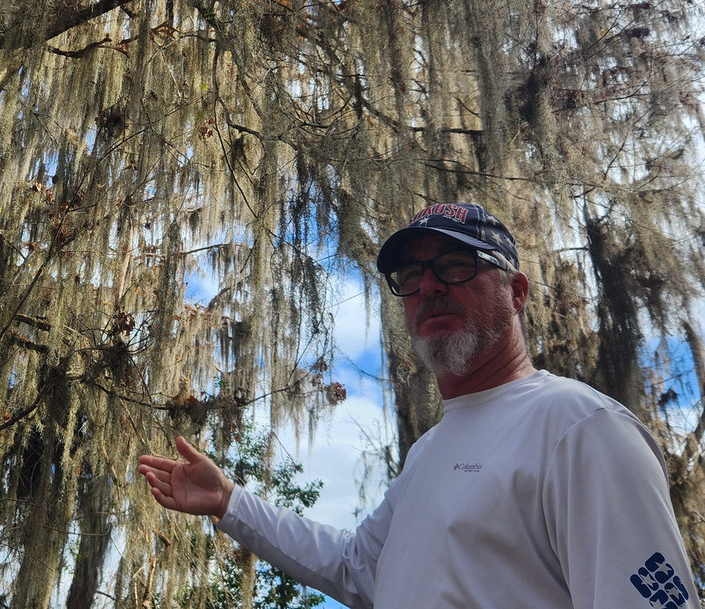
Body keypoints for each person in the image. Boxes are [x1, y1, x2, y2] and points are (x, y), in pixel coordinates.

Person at [139, 202, 702, 609]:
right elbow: (357, 567)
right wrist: (231, 502)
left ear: (517, 292)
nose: (430, 286)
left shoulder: (578, 428)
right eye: (412, 275)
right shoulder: (428, 453)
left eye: (456, 266)